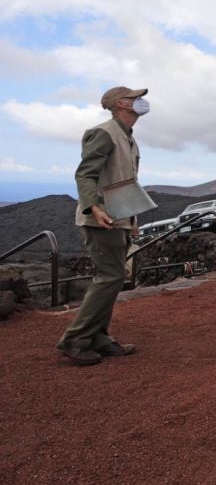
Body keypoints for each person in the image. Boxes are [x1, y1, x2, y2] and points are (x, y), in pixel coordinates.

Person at [58, 86, 152, 366]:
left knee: (113, 279)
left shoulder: (129, 138)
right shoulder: (104, 133)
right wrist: (94, 207)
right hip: (101, 219)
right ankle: (75, 339)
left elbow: (126, 181)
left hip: (118, 219)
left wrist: (132, 221)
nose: (141, 102)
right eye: (136, 98)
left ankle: (98, 337)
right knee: (109, 277)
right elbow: (86, 173)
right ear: (122, 103)